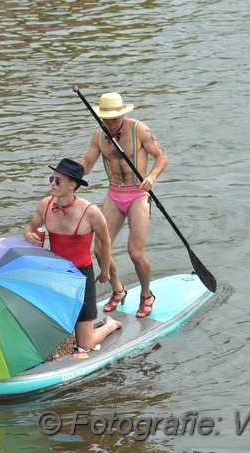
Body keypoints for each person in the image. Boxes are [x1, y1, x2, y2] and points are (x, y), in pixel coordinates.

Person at [79, 92, 168, 319]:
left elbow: (161, 157)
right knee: (99, 250)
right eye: (106, 119)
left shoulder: (139, 129)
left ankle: (146, 295)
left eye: (114, 119)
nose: (110, 123)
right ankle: (118, 290)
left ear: (122, 113)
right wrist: (71, 172)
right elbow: (87, 163)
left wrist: (152, 178)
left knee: (135, 252)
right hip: (114, 194)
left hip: (138, 194)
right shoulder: (100, 136)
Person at [24, 158, 123, 352]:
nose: (52, 183)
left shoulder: (90, 212)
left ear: (72, 185)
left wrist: (104, 272)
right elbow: (30, 227)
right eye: (51, 179)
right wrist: (28, 234)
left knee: (84, 345)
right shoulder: (45, 205)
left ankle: (110, 324)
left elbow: (105, 241)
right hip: (55, 274)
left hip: (81, 276)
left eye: (58, 180)